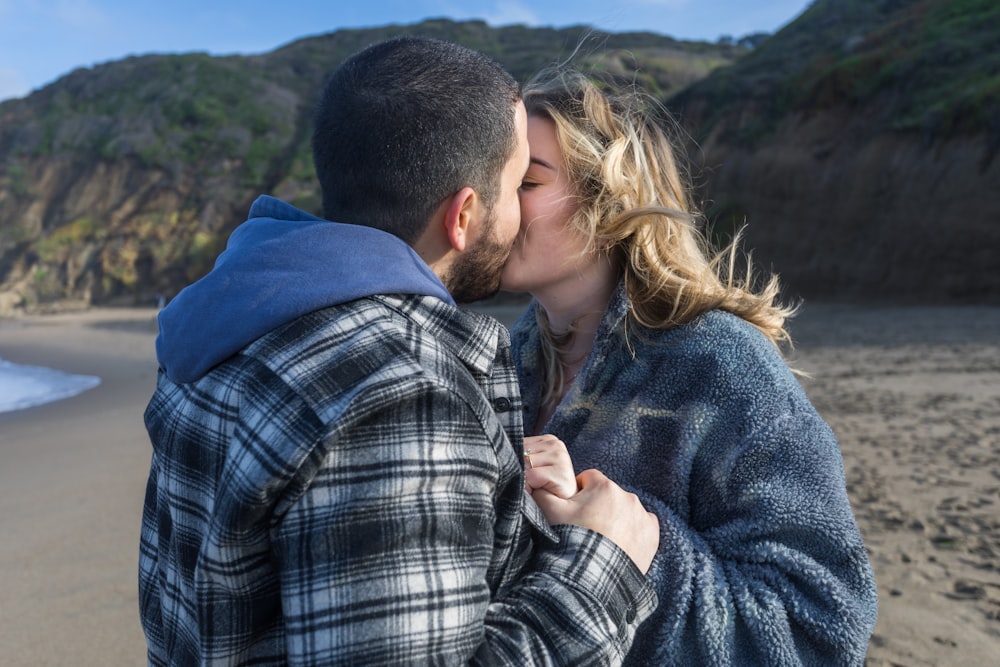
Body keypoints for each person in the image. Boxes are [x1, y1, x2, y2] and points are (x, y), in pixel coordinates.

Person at [138, 38, 661, 665]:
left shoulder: (233, 323)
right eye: (514, 181)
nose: (519, 213)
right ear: (463, 215)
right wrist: (605, 562)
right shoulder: (402, 390)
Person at [502, 68, 879, 666]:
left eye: (526, 180)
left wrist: (631, 549)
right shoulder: (503, 364)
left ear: (611, 199)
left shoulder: (721, 363)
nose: (496, 200)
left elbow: (819, 629)